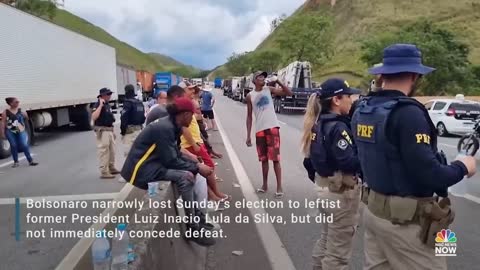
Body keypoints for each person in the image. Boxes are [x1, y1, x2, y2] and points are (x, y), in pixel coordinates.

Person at [351, 44, 477, 269]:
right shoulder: (408, 113)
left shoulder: (363, 109)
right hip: (407, 226)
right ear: (414, 75)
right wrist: (463, 166)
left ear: (382, 75)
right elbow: (431, 175)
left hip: (374, 213)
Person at [120, 97, 215, 246]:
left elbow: (175, 151)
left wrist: (195, 162)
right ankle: (193, 229)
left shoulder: (172, 124)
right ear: (184, 114)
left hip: (153, 163)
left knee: (191, 168)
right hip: (142, 169)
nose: (196, 117)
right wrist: (197, 167)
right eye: (193, 113)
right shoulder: (165, 128)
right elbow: (170, 160)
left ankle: (199, 218)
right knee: (187, 177)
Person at [301, 79, 362, 270]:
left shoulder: (317, 124)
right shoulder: (338, 127)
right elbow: (348, 162)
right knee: (337, 255)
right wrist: (369, 157)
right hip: (340, 194)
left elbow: (308, 162)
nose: (351, 101)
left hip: (324, 188)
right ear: (337, 99)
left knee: (327, 240)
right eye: (348, 97)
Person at [179, 81, 229, 202]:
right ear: (183, 91)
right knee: (208, 168)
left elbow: (193, 121)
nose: (193, 91)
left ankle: (212, 195)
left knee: (202, 169)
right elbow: (184, 127)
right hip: (191, 144)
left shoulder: (188, 102)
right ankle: (214, 194)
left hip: (195, 141)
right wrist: (194, 145)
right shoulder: (182, 104)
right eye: (190, 89)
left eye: (193, 89)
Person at [246, 71, 292, 198]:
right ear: (254, 80)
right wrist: (248, 135)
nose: (262, 78)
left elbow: (289, 93)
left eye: (263, 76)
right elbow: (249, 116)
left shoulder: (269, 89)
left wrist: (278, 81)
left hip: (272, 128)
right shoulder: (250, 96)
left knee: (275, 159)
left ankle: (279, 186)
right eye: (259, 77)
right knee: (263, 159)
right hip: (259, 130)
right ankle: (265, 185)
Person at [0, 97, 38, 167]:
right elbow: (2, 122)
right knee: (13, 145)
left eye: (18, 101)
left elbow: (27, 118)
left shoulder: (21, 110)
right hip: (10, 131)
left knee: (24, 144)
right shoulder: (6, 112)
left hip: (21, 130)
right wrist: (2, 133)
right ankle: (16, 162)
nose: (18, 103)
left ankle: (30, 160)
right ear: (11, 103)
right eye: (16, 102)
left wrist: (25, 115)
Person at [92, 88, 119, 179]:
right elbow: (94, 117)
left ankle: (111, 167)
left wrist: (113, 131)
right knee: (104, 151)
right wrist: (100, 106)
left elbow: (110, 119)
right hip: (102, 131)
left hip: (109, 130)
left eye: (110, 94)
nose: (110, 95)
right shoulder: (98, 105)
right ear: (102, 96)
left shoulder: (107, 105)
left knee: (112, 151)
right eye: (108, 94)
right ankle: (104, 171)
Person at [120, 84, 146, 157]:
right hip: (139, 131)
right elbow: (143, 118)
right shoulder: (139, 103)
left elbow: (123, 118)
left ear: (126, 92)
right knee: (139, 155)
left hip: (130, 132)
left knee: (129, 156)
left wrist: (123, 132)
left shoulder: (128, 103)